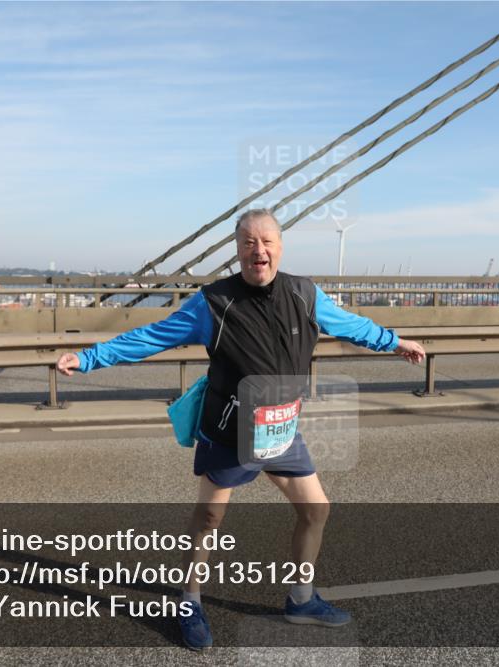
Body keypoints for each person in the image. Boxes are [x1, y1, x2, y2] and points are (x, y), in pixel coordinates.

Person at [57, 209, 426, 650]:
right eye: (249, 242)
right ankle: (189, 601)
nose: (258, 250)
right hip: (229, 431)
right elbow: (152, 336)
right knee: (209, 518)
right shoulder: (214, 302)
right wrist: (89, 358)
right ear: (237, 250)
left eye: (267, 241)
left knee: (316, 510)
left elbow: (351, 325)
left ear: (280, 248)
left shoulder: (305, 294)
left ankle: (301, 599)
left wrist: (395, 342)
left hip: (281, 430)